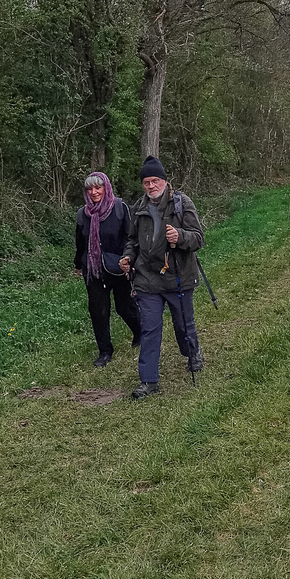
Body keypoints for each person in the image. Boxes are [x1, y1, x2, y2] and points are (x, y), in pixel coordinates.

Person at [119, 156, 205, 399]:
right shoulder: (139, 208)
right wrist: (128, 257)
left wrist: (180, 236)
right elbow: (132, 241)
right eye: (146, 182)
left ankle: (193, 352)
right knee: (150, 329)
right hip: (147, 278)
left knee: (183, 324)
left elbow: (198, 238)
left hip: (179, 275)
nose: (151, 186)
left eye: (155, 181)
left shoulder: (181, 203)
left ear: (165, 181)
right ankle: (149, 380)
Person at [75, 172, 141, 367]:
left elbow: (131, 237)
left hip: (119, 268)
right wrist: (78, 264)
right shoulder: (83, 214)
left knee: (125, 308)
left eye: (98, 187)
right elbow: (80, 242)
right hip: (93, 270)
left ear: (106, 187)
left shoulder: (120, 208)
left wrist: (130, 261)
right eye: (90, 189)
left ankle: (140, 333)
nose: (94, 192)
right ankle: (105, 351)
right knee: (98, 311)